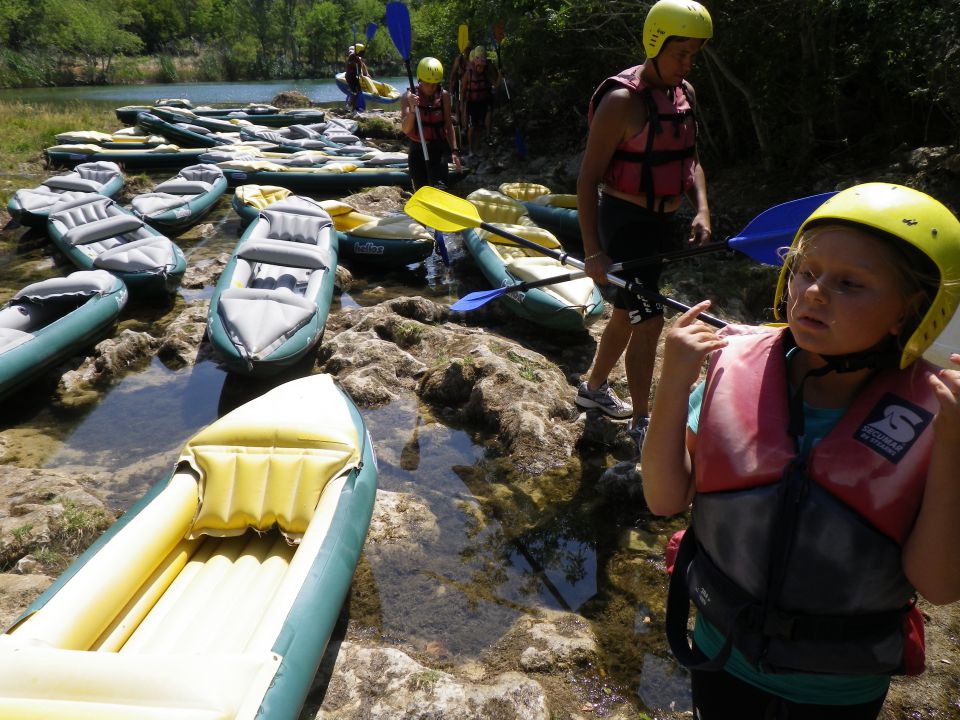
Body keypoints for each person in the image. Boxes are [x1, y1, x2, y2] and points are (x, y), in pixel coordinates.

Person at [642, 182, 960, 719]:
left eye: (850, 284)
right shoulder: (733, 365)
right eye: (806, 272)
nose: (813, 293)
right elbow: (664, 498)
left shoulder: (938, 414)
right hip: (722, 654)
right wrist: (673, 384)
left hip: (837, 689)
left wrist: (953, 445)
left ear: (909, 313)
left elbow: (939, 584)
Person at [574, 0, 713, 454]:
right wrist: (594, 252)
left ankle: (593, 387)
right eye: (682, 53)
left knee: (626, 312)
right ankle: (641, 421)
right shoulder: (621, 102)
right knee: (649, 322)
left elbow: (691, 160)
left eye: (694, 54)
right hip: (626, 223)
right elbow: (587, 179)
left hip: (661, 223)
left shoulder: (684, 93)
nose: (688, 63)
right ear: (656, 44)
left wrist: (702, 209)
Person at [401, 57, 462, 191]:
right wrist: (412, 110)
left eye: (435, 83)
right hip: (417, 150)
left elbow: (448, 126)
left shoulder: (444, 96)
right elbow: (405, 129)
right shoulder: (408, 96)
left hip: (438, 150)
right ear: (420, 80)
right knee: (421, 191)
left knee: (440, 189)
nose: (431, 87)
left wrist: (454, 151)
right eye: (427, 83)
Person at [461, 45, 499, 155]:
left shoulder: (486, 73)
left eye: (482, 67)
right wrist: (462, 105)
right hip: (472, 103)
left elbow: (495, 84)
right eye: (479, 67)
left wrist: (500, 75)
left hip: (483, 102)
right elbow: (463, 90)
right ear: (475, 64)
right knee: (472, 127)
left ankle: (477, 148)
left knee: (479, 127)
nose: (481, 69)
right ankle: (471, 150)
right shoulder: (469, 73)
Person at [449, 42, 471, 131]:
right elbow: (453, 73)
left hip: (470, 85)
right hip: (459, 84)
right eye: (466, 49)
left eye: (469, 49)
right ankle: (460, 124)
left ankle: (466, 125)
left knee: (466, 105)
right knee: (459, 104)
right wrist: (451, 86)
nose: (467, 51)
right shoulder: (459, 59)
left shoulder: (472, 58)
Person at [345, 43, 369, 114]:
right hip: (350, 78)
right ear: (358, 51)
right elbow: (350, 62)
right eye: (361, 52)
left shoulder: (358, 58)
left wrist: (365, 73)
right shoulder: (352, 56)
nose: (362, 54)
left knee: (358, 92)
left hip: (355, 77)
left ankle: (354, 109)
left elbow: (361, 65)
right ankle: (349, 106)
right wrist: (354, 61)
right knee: (354, 92)